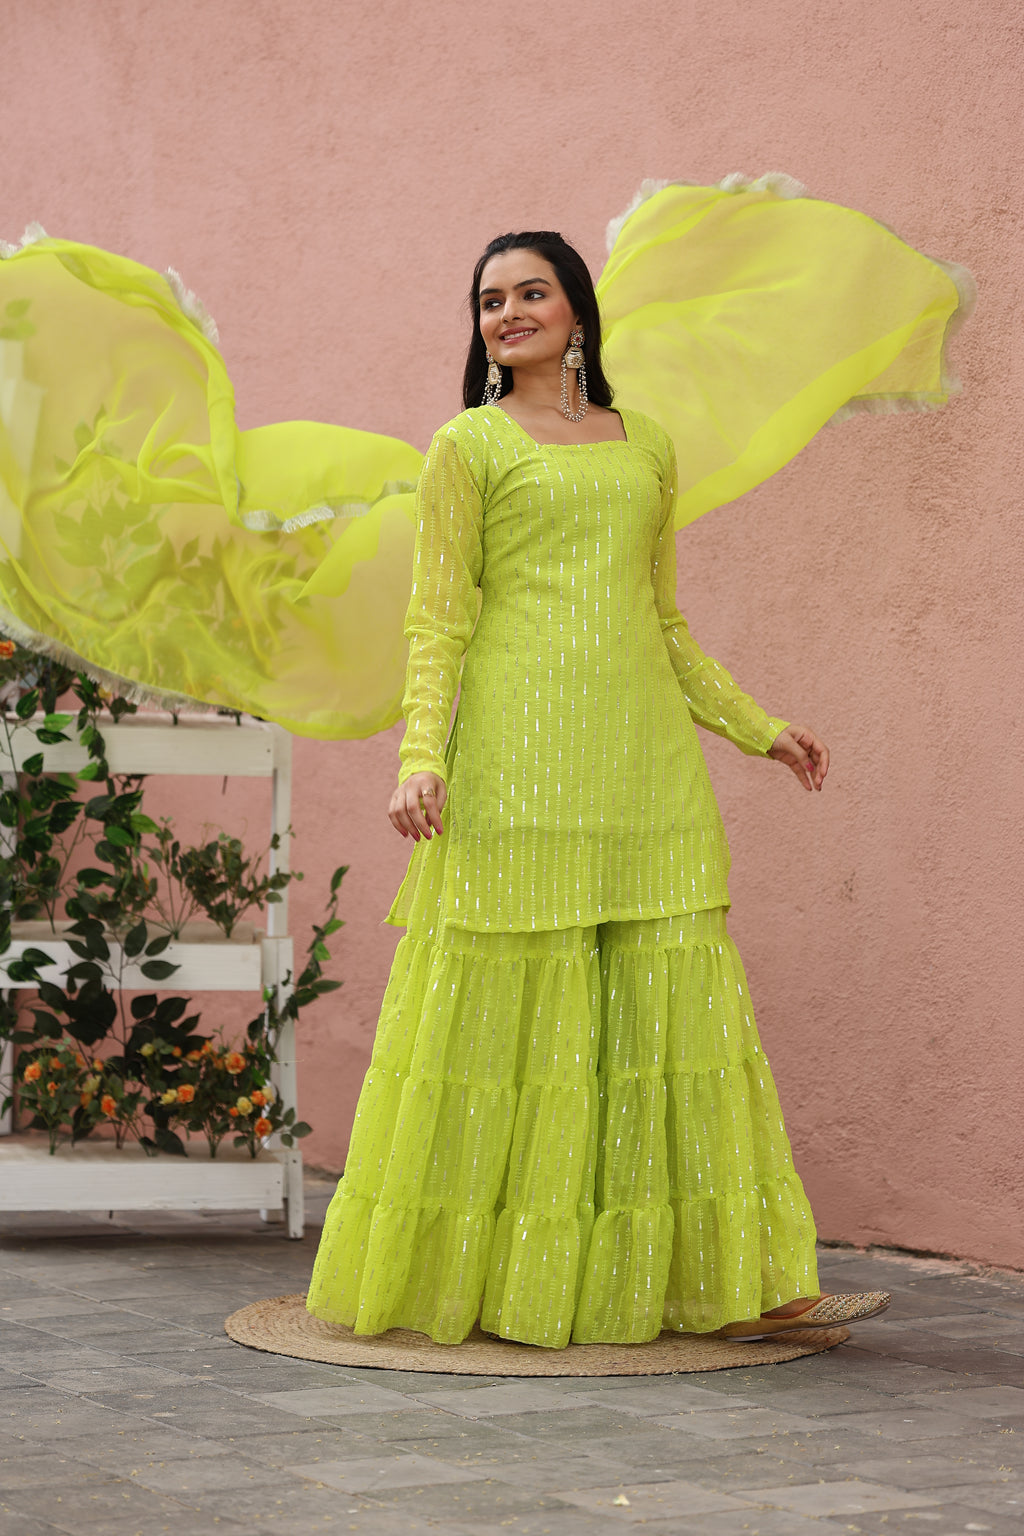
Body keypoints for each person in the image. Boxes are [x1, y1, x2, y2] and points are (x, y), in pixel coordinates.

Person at [304, 229, 892, 1347]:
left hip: (642, 770)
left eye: (533, 292)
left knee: (674, 1018)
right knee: (509, 1026)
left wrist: (756, 727)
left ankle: (738, 1280)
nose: (510, 312)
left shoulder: (646, 446)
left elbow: (661, 622)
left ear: (578, 310)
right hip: (517, 768)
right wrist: (418, 756)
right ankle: (501, 1285)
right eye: (490, 300)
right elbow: (440, 618)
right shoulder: (465, 447)